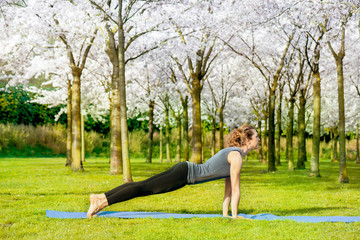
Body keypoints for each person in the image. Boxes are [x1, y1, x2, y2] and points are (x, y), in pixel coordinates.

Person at [87, 124, 260, 219]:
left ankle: (100, 197)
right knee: (144, 188)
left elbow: (229, 189)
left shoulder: (234, 154)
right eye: (256, 136)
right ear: (248, 139)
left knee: (143, 185)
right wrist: (236, 217)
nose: (259, 139)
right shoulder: (236, 156)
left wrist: (227, 215)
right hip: (184, 174)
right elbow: (236, 189)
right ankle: (102, 203)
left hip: (184, 170)